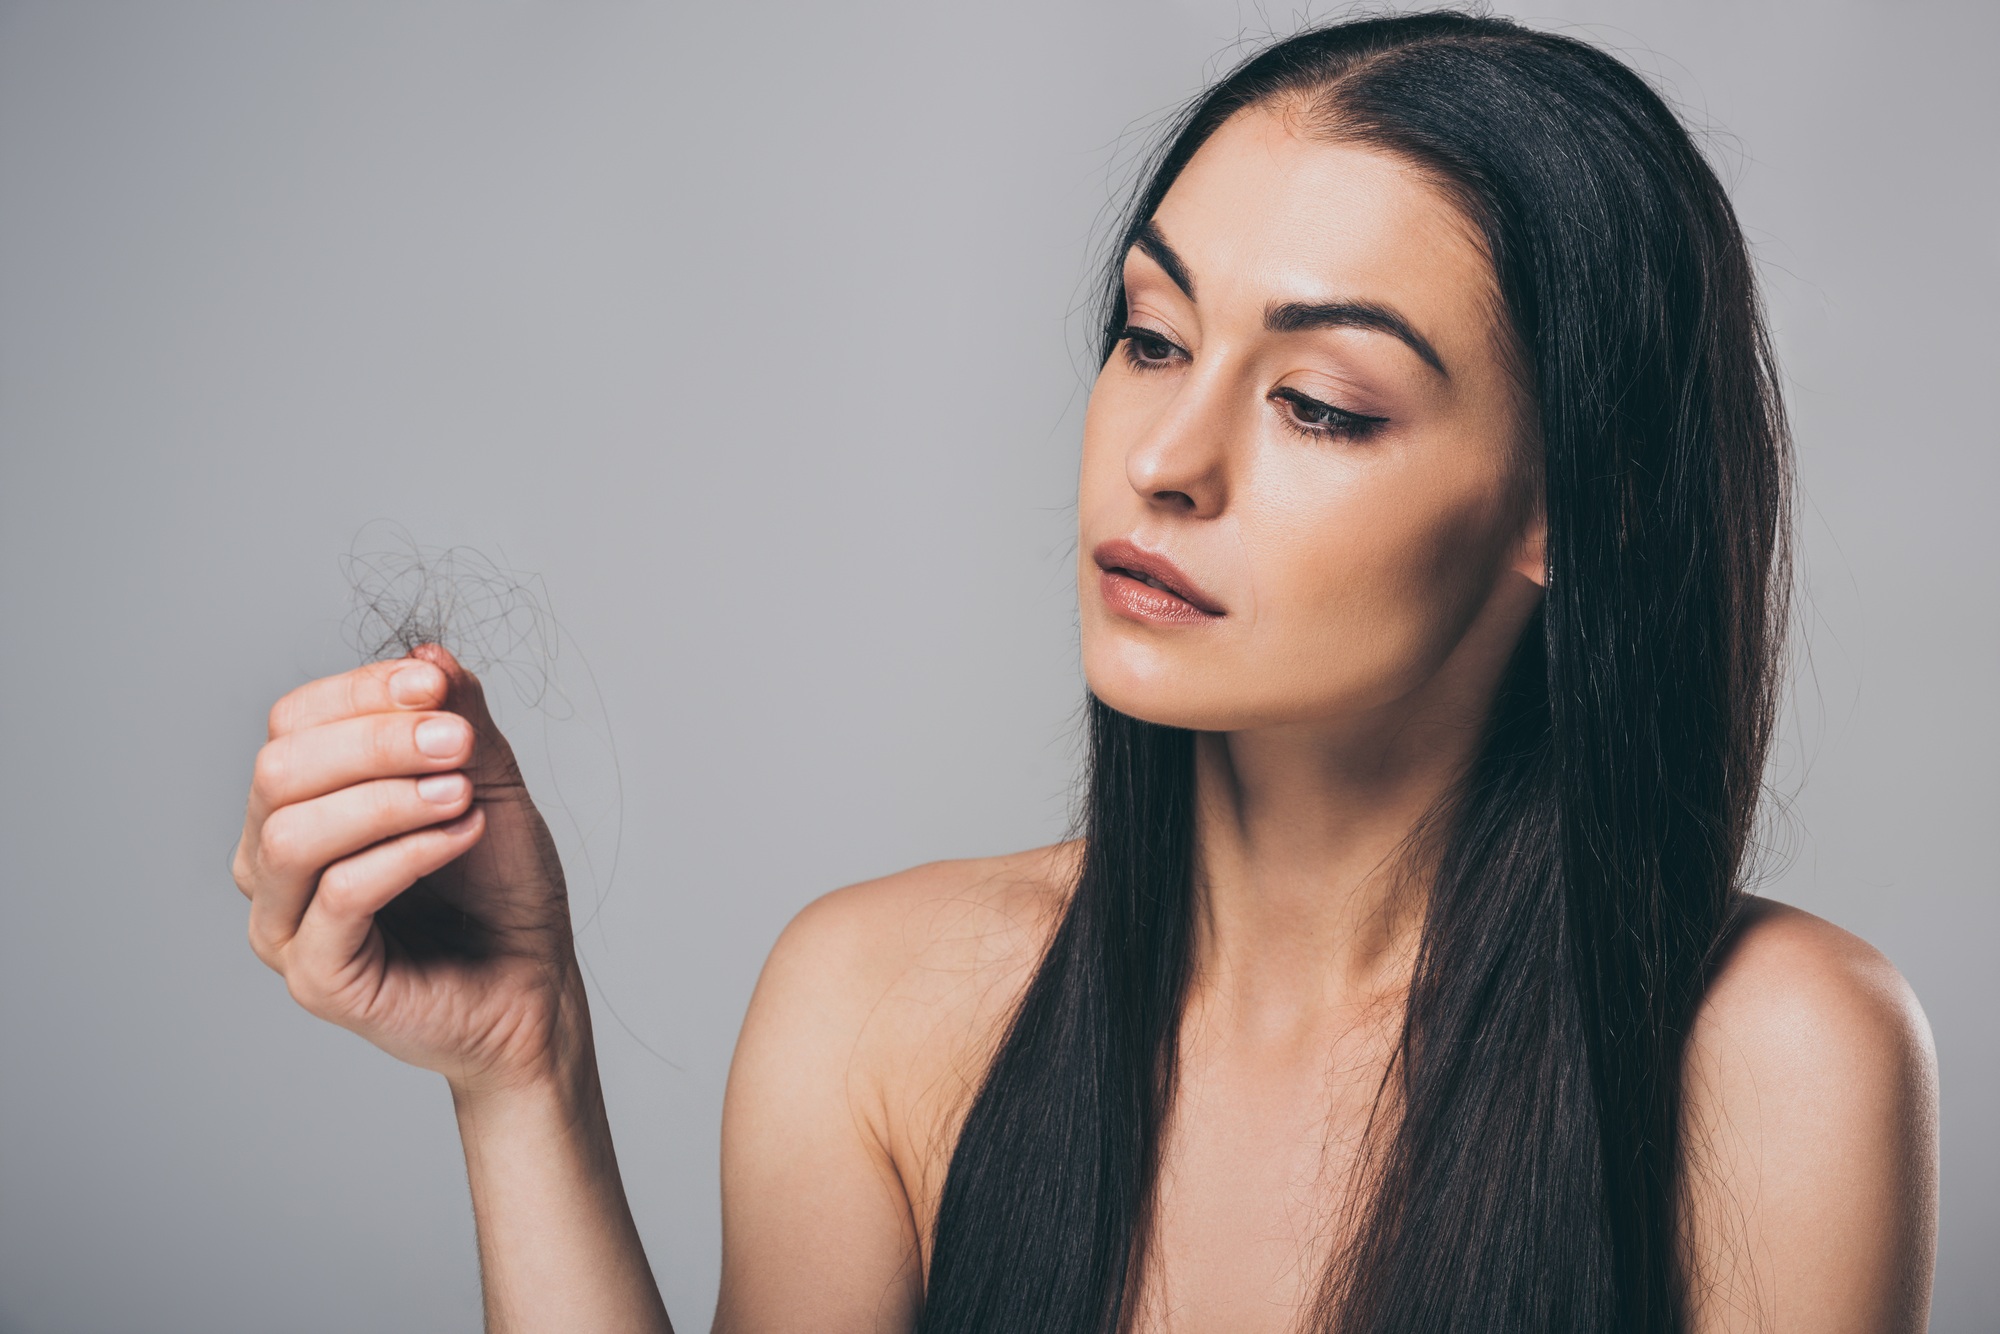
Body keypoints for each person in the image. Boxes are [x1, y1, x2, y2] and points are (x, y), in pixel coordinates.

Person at [229, 12, 1938, 1332]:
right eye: (1151, 335)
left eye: (1321, 402)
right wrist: (521, 1069)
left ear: (1580, 506)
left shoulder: (1775, 1057)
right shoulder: (883, 1006)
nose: (1164, 458)